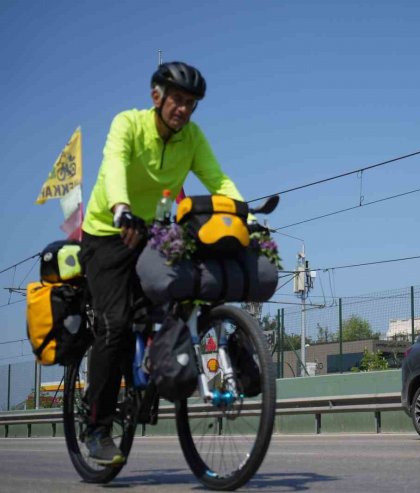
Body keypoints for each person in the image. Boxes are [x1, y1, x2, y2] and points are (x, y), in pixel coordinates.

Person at [79, 61, 244, 465]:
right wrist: (120, 208)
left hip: (150, 234)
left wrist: (245, 217)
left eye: (191, 103)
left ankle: (156, 368)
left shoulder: (192, 138)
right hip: (107, 233)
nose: (183, 109)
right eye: (177, 100)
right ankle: (96, 426)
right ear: (157, 97)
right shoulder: (128, 125)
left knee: (181, 293)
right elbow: (114, 166)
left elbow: (218, 181)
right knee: (114, 324)